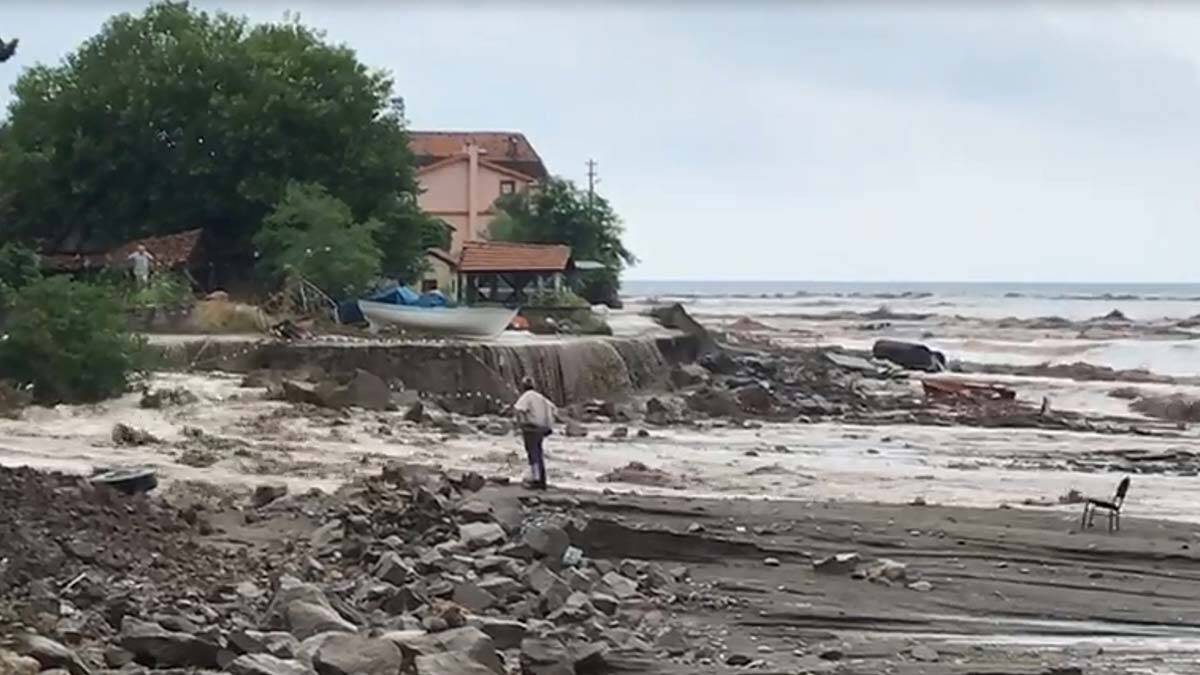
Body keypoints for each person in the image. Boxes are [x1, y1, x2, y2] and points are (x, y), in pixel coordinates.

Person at [512, 377, 556, 489]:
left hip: (531, 427)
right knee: (538, 452)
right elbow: (553, 409)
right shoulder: (540, 397)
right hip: (543, 428)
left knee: (532, 453)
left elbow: (519, 409)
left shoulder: (527, 396)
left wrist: (519, 424)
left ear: (523, 386)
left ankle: (536, 479)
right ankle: (542, 479)